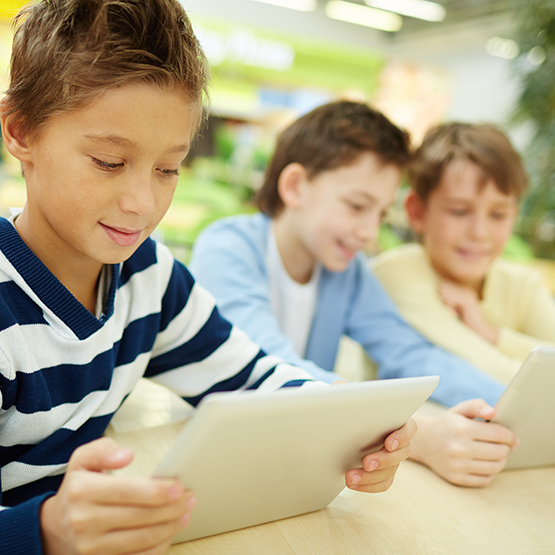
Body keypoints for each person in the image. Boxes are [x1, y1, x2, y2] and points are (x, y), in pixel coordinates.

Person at [0, 2, 416, 555]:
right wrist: (47, 529)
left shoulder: (150, 277)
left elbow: (252, 378)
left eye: (168, 168)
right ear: (20, 131)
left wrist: (349, 422)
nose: (142, 202)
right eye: (107, 160)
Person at [190, 101, 519, 488]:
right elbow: (268, 362)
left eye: (379, 214)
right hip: (219, 461)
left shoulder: (348, 271)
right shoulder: (227, 247)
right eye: (357, 205)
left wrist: (509, 404)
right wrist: (423, 437)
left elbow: (409, 353)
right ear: (294, 186)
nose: (368, 232)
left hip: (296, 462)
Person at [372, 122, 555, 385]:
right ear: (417, 212)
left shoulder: (522, 285)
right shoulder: (397, 273)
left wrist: (491, 333)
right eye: (459, 211)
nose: (479, 232)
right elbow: (484, 372)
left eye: (498, 214)